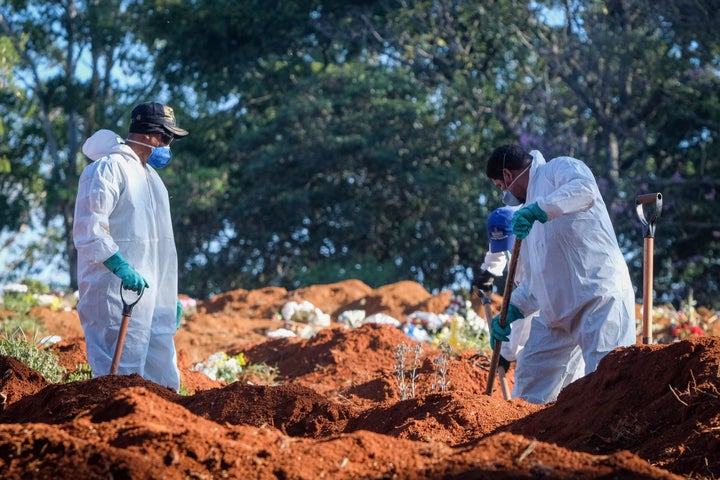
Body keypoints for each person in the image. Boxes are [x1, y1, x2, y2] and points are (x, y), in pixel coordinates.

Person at [485, 144, 635, 404]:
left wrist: (541, 209)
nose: (504, 194)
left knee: (609, 382)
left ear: (508, 176)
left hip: (598, 300)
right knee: (530, 383)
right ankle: (526, 443)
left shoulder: (560, 168)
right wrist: (512, 310)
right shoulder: (525, 219)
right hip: (556, 316)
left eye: (501, 187)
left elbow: (584, 191)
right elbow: (535, 281)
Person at [73, 102, 188, 392]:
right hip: (114, 293)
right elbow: (90, 227)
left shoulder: (153, 180)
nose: (166, 145)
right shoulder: (107, 169)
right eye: (166, 137)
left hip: (151, 297)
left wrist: (167, 295)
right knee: (121, 374)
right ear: (149, 134)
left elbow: (160, 246)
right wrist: (118, 265)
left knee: (161, 375)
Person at [472, 206, 534, 398]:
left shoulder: (533, 251)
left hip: (545, 308)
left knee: (530, 369)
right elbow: (498, 249)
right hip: (528, 301)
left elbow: (527, 312)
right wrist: (488, 271)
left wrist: (506, 353)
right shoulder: (505, 219)